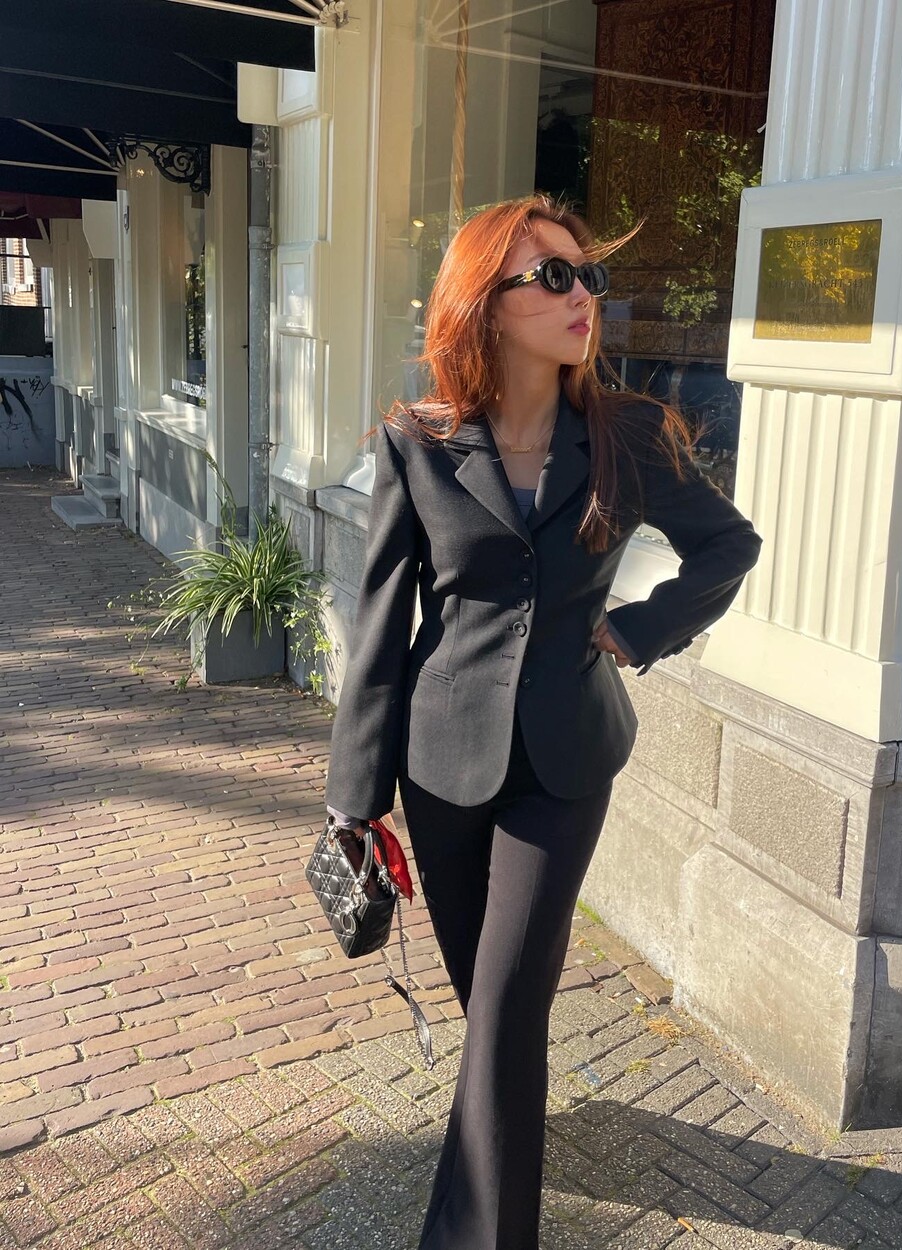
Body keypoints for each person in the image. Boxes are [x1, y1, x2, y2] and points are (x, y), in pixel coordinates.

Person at [323, 194, 762, 1250]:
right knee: (488, 1006)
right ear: (483, 299)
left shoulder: (626, 437)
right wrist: (353, 797)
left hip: (567, 760)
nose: (582, 296)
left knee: (512, 1001)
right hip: (440, 758)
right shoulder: (417, 443)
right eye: (552, 275)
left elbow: (729, 544)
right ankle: (502, 1125)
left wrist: (640, 626)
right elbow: (381, 623)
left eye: (587, 275)